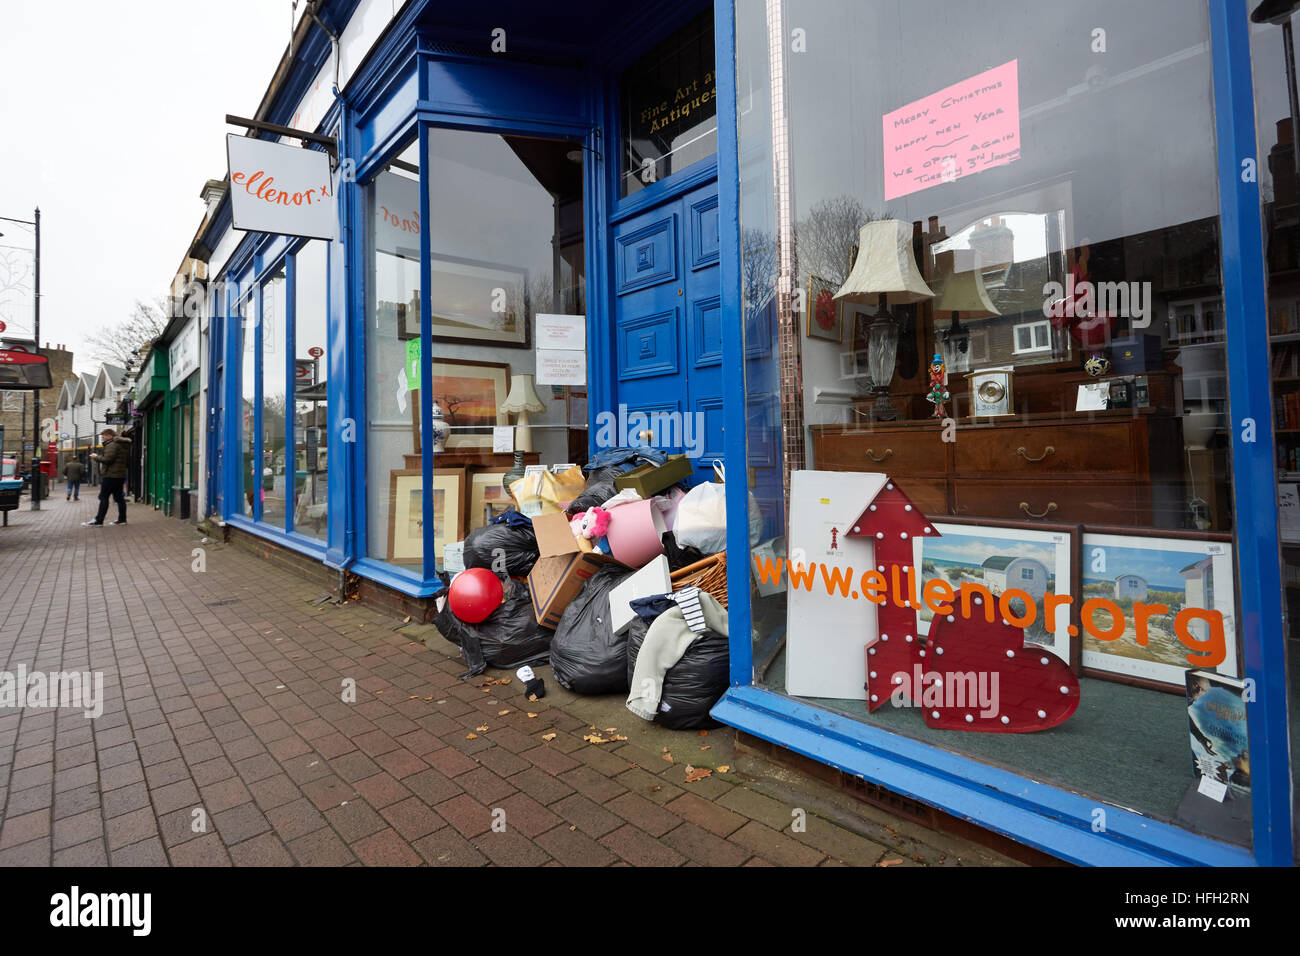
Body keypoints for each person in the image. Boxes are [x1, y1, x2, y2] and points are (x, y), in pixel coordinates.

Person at [82, 429, 130, 527]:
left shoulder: (112, 445)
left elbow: (108, 459)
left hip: (110, 475)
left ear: (109, 435)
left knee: (103, 497)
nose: (102, 438)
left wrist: (96, 457)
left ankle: (98, 521)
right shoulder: (121, 444)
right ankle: (122, 519)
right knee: (119, 498)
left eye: (103, 436)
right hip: (119, 475)